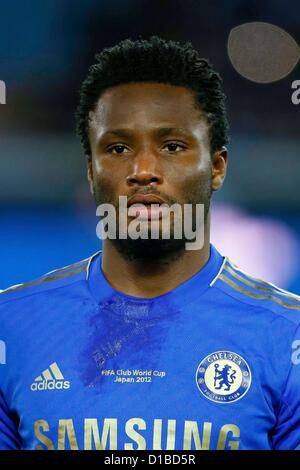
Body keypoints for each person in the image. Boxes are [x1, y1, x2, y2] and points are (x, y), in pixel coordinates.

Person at [0, 36, 300, 451]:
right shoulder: (10, 329)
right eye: (118, 148)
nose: (143, 170)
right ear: (91, 171)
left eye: (172, 146)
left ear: (216, 167)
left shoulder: (289, 339)